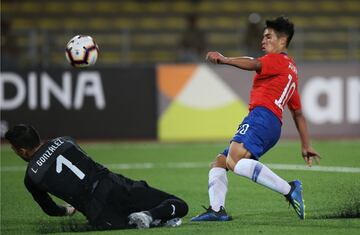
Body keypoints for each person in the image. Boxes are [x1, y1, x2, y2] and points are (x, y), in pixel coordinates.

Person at [191, 16, 320, 222]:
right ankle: (217, 210)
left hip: (262, 117)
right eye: (263, 37)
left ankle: (290, 189)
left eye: (268, 36)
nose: (263, 41)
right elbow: (297, 113)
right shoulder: (290, 72)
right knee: (220, 162)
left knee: (236, 161)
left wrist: (224, 59)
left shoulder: (278, 59)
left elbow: (254, 63)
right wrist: (306, 144)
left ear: (282, 41)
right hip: (270, 123)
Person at [5, 124, 188, 230]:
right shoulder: (65, 140)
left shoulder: (31, 177)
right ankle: (151, 215)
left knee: (125, 224)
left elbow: (50, 209)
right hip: (116, 185)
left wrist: (67, 210)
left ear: (21, 150)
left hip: (98, 211)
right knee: (179, 205)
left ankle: (151, 220)